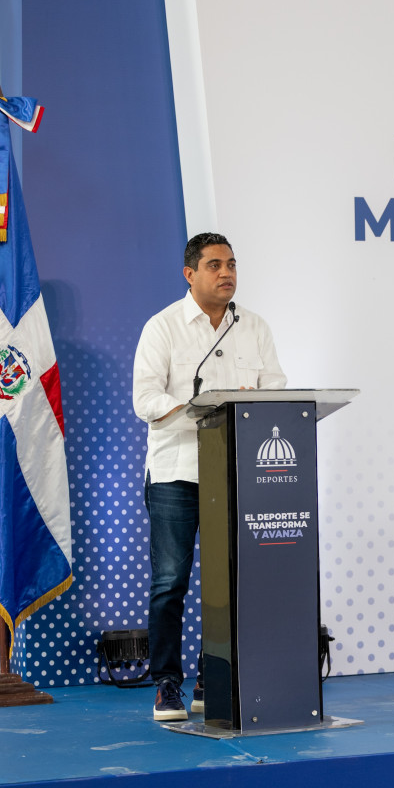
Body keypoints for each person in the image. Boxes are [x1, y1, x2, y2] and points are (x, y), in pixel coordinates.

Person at [132, 232, 286, 721]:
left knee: (227, 583)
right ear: (190, 273)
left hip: (235, 472)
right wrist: (201, 411)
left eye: (232, 264)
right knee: (170, 583)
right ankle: (167, 683)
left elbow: (275, 389)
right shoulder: (163, 327)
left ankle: (210, 677)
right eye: (215, 265)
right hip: (176, 472)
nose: (227, 274)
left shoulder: (253, 326)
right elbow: (145, 399)